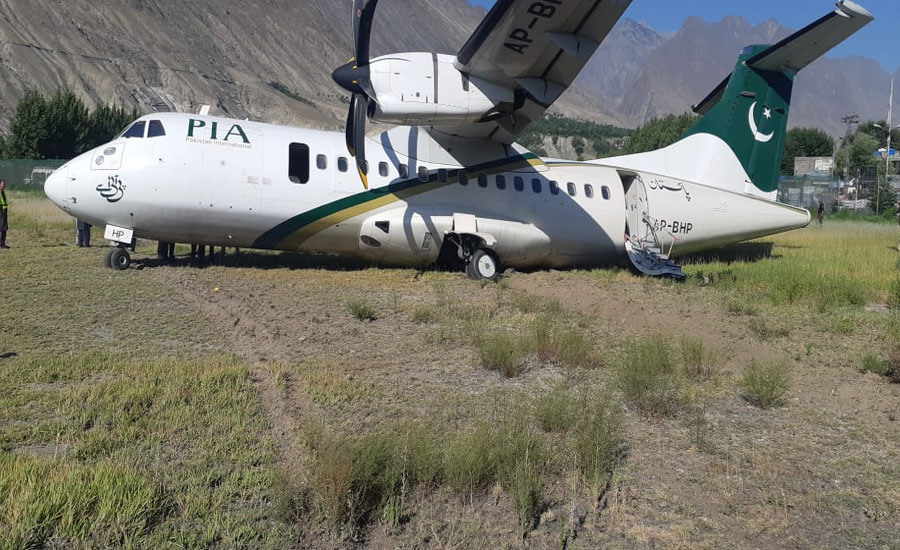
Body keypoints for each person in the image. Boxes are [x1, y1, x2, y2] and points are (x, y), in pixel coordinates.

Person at [0, 179, 9, 249]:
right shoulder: (0, 192)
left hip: (4, 210)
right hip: (1, 211)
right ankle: (1, 244)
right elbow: (3, 202)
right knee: (2, 227)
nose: (4, 185)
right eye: (3, 184)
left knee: (4, 227)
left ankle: (3, 243)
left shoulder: (2, 192)